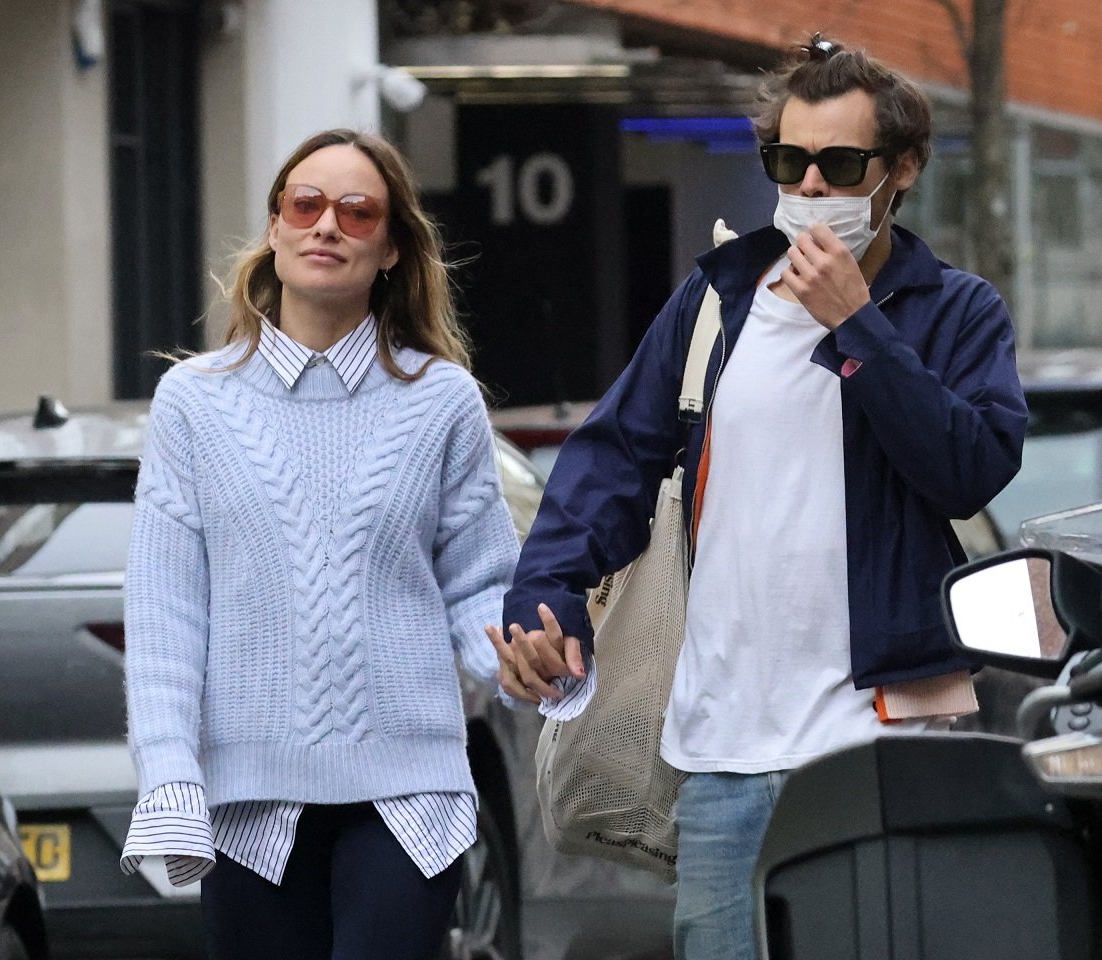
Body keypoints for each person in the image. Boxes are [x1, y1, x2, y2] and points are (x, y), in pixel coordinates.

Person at [490, 33, 1028, 960]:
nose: (810, 186)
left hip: (880, 746)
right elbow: (610, 461)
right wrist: (545, 597)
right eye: (788, 160)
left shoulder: (955, 310)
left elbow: (969, 468)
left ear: (901, 169)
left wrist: (857, 325)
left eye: (840, 164)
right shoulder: (717, 302)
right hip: (722, 755)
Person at [119, 128, 520, 960]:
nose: (326, 224)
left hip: (410, 793)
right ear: (276, 229)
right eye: (305, 205)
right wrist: (169, 770)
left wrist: (527, 661)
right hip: (246, 800)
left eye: (357, 211)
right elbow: (166, 615)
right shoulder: (192, 403)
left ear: (391, 248)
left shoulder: (443, 400)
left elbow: (479, 584)